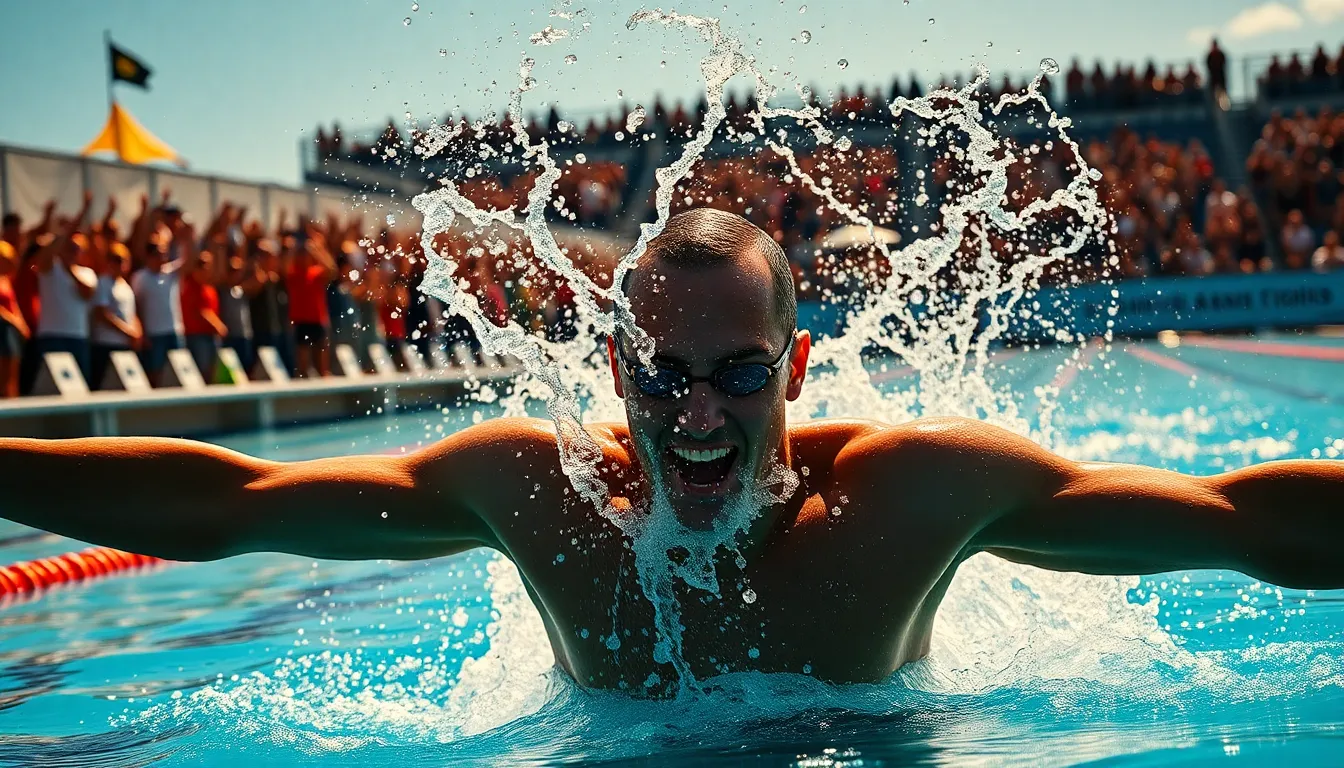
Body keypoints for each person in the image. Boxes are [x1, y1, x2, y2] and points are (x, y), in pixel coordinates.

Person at [1, 210, 1341, 696]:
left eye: (740, 371)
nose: (699, 407)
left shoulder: (915, 496)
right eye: (664, 373)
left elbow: (1231, 519)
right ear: (618, 374)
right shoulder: (541, 495)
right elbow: (240, 503)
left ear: (796, 370)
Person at [32, 195, 97, 384]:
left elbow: (86, 293)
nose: (73, 251)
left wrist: (69, 268)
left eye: (76, 248)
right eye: (69, 247)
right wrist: (69, 226)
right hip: (52, 336)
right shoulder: (49, 269)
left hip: (78, 338)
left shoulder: (87, 273)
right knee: (50, 386)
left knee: (81, 387)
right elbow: (44, 255)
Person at [90, 242, 142, 389]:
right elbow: (101, 314)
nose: (119, 264)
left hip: (124, 346)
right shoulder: (103, 283)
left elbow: (132, 314)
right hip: (106, 346)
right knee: (102, 387)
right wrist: (128, 332)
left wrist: (137, 333)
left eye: (122, 260)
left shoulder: (125, 286)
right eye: (115, 259)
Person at [0, 241, 28, 398]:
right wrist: (15, 322)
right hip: (3, 329)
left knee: (13, 368)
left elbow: (13, 304)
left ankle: (12, 398)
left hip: (11, 331)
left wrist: (22, 324)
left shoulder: (6, 281)